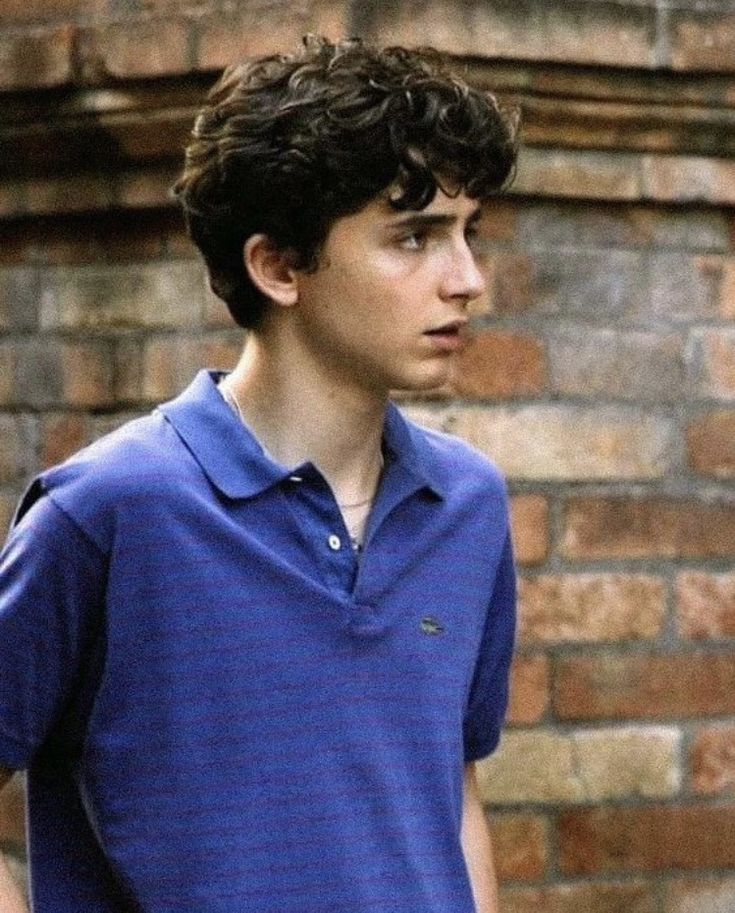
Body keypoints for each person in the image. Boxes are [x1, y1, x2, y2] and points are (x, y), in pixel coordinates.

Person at [0, 36, 518, 913]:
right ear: (277, 265)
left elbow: (447, 786)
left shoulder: (466, 504)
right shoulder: (112, 511)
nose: (465, 278)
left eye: (469, 234)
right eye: (414, 236)